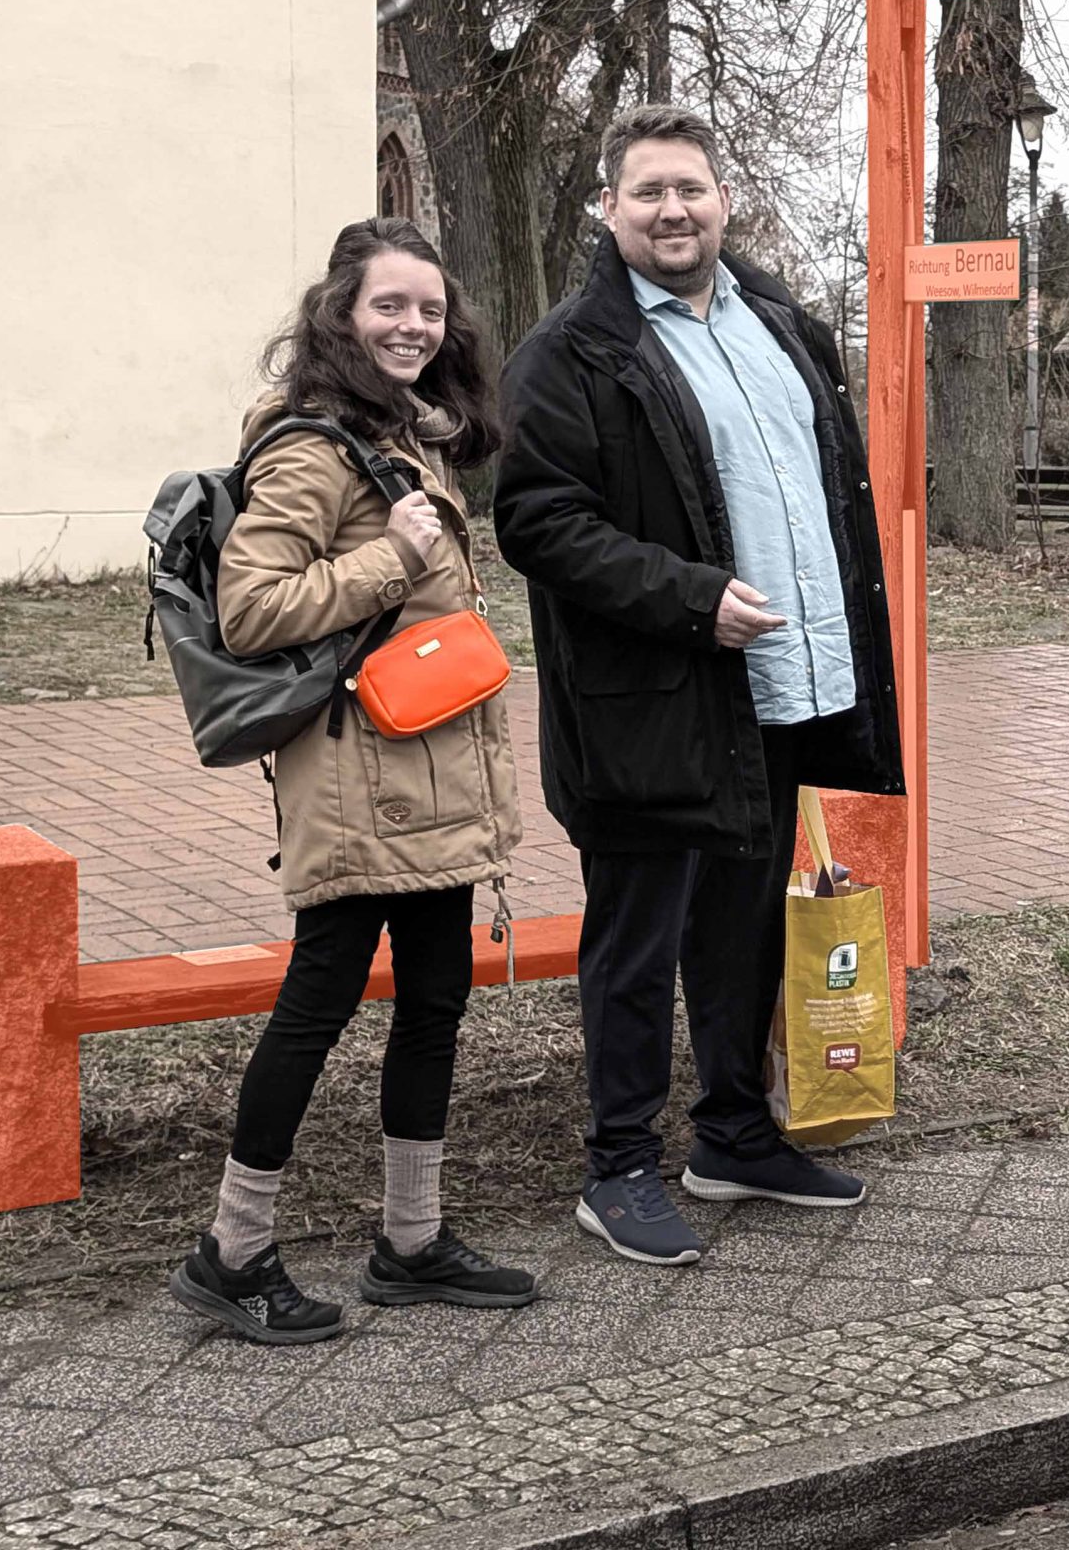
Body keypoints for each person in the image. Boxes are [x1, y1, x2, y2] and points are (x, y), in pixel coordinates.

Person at [495, 103, 904, 1265]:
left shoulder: (782, 325)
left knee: (743, 926)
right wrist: (689, 597)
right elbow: (536, 520)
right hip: (651, 707)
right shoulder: (572, 350)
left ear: (724, 200)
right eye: (647, 191)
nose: (672, 210)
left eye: (690, 188)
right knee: (636, 945)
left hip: (783, 687)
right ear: (608, 208)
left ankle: (732, 1133)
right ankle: (617, 1163)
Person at [170, 217, 536, 1344]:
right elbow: (253, 609)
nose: (413, 326)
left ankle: (411, 1241)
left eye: (430, 309)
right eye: (390, 306)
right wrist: (393, 556)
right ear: (341, 314)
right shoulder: (309, 448)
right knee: (316, 1008)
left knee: (434, 1003)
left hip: (431, 767)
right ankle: (233, 1251)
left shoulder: (408, 437)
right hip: (354, 777)